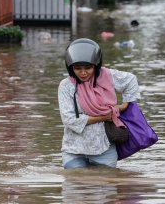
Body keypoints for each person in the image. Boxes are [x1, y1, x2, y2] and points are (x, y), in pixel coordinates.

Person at [58, 38, 141, 169]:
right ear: (70, 67)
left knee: (106, 185)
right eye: (78, 68)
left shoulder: (108, 76)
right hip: (74, 149)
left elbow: (131, 80)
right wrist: (104, 117)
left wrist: (125, 104)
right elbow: (69, 120)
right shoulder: (66, 86)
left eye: (88, 68)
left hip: (104, 148)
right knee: (75, 185)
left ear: (96, 65)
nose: (83, 72)